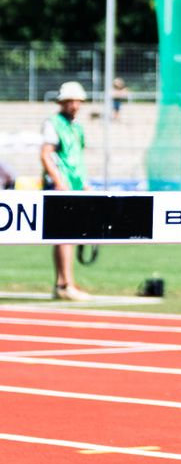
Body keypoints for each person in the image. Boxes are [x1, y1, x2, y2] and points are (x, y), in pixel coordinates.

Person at [40, 83, 90, 301]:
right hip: (61, 186)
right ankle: (65, 284)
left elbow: (77, 157)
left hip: (75, 185)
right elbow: (46, 154)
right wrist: (59, 182)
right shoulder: (53, 123)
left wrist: (84, 183)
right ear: (62, 103)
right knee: (64, 235)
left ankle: (63, 283)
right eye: (70, 101)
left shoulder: (77, 127)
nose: (74, 105)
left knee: (66, 235)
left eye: (77, 101)